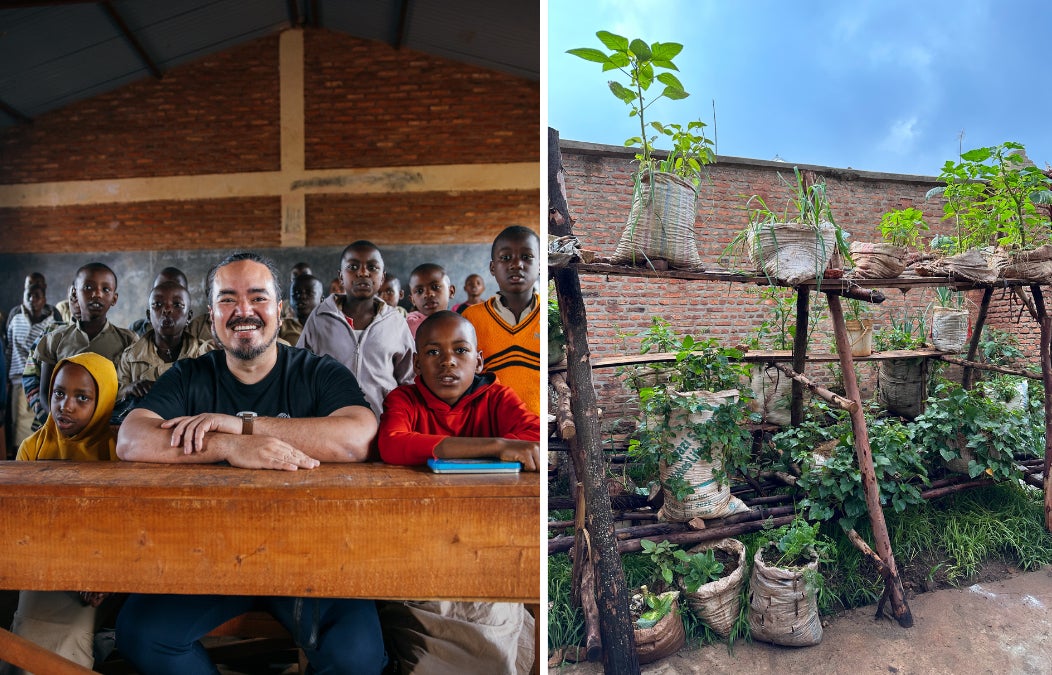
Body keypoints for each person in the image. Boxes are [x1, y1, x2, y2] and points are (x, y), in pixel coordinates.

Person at [114, 252, 385, 674]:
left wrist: (243, 428)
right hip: (211, 555)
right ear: (211, 314)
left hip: (311, 553)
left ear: (279, 310)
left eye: (258, 298)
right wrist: (228, 447)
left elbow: (358, 437)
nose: (243, 311)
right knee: (140, 634)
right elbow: (131, 438)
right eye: (228, 300)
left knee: (359, 657)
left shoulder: (318, 373)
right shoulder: (189, 377)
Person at [377, 311, 539, 674]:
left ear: (479, 359)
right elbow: (393, 444)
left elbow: (533, 437)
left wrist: (498, 444)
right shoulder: (404, 399)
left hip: (487, 539)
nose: (448, 361)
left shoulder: (496, 397)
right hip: (421, 542)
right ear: (417, 363)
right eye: (433, 352)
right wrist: (494, 445)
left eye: (461, 350)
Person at [8, 353, 120, 670]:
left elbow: (123, 526)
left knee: (73, 638)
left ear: (105, 400)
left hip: (102, 567)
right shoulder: (33, 447)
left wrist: (106, 574)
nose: (65, 406)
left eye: (81, 397)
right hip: (44, 562)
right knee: (28, 636)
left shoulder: (117, 451)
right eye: (59, 393)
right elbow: (23, 522)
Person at [297, 241, 414, 422]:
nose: (362, 273)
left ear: (382, 278)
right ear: (341, 277)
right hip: (329, 423)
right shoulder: (320, 317)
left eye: (372, 267)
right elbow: (301, 371)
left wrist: (401, 418)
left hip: (383, 424)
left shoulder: (395, 321)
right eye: (353, 267)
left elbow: (408, 379)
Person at [30, 263, 136, 422]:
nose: (96, 294)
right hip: (66, 428)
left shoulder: (128, 340)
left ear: (114, 298)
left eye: (105, 289)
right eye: (88, 287)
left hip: (109, 428)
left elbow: (130, 392)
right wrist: (59, 421)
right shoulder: (55, 340)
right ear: (74, 293)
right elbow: (45, 393)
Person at [462, 226, 541, 415]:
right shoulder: (470, 319)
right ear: (492, 268)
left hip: (541, 429)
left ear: (540, 264)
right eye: (506, 258)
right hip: (490, 430)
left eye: (526, 257)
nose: (516, 265)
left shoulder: (550, 317)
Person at [114, 280, 212, 421]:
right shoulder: (130, 356)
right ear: (148, 316)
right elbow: (114, 401)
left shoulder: (204, 355)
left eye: (177, 305)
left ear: (189, 316)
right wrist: (130, 389)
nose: (166, 310)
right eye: (158, 305)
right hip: (143, 432)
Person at [6, 276, 59, 449]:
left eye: (37, 296)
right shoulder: (15, 315)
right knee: (19, 422)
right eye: (28, 295)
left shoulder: (52, 317)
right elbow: (8, 347)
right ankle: (20, 455)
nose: (32, 300)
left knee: (41, 420)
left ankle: (39, 454)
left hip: (41, 379)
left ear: (44, 298)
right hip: (17, 379)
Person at [129, 267, 190, 337]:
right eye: (160, 289)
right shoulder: (136, 329)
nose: (167, 309)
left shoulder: (196, 332)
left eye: (176, 303)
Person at [405, 263, 455, 338]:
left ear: (451, 291)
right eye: (420, 291)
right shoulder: (407, 327)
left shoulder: (459, 323)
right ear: (413, 300)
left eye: (435, 287)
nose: (428, 294)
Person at [279, 273, 323, 345]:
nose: (301, 296)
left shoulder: (330, 327)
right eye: (296, 293)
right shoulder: (281, 327)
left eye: (309, 292)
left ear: (321, 299)